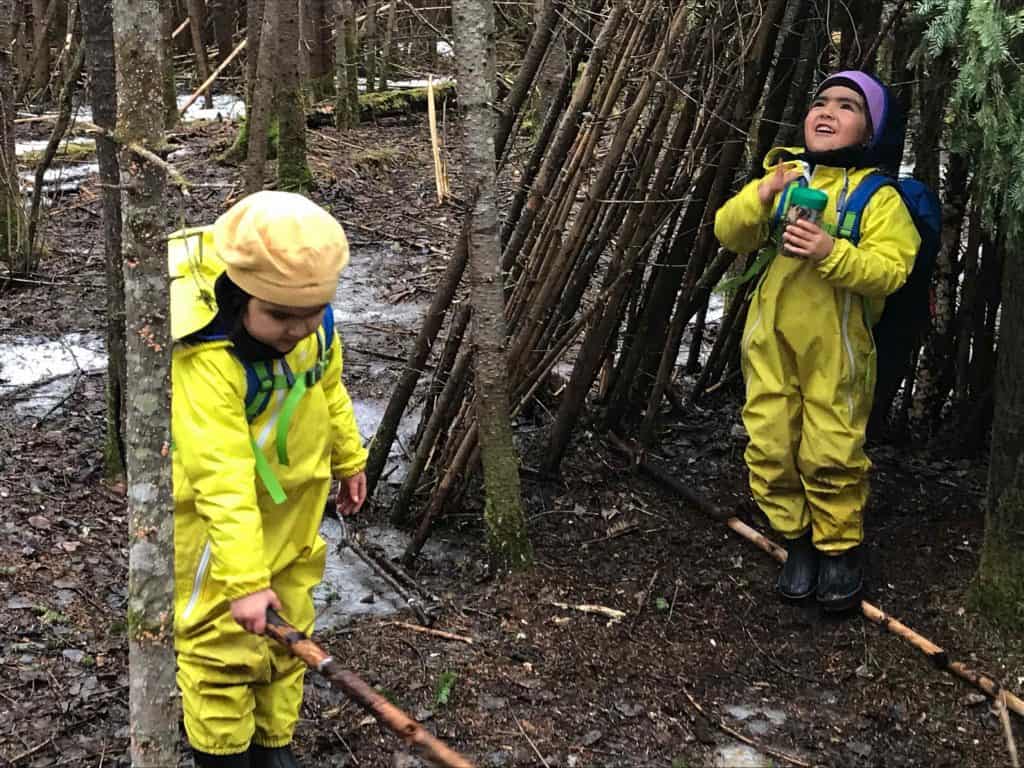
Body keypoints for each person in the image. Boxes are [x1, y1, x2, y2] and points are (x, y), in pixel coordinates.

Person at [169, 191, 368, 767]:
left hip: (294, 512)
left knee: (290, 626)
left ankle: (272, 744)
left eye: (313, 312)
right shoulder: (209, 360)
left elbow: (328, 388)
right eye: (280, 316)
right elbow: (220, 473)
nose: (298, 330)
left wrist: (348, 457)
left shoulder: (314, 328)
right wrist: (243, 581)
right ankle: (222, 753)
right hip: (220, 529)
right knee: (222, 644)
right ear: (240, 295)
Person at [713, 71, 920, 611]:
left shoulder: (878, 198)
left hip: (838, 349)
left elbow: (890, 270)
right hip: (771, 343)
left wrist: (831, 252)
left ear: (872, 130)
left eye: (847, 106)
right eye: (820, 102)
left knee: (831, 448)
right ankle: (796, 539)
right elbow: (728, 232)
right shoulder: (785, 175)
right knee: (770, 441)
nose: (827, 111)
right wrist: (760, 196)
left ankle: (838, 547)